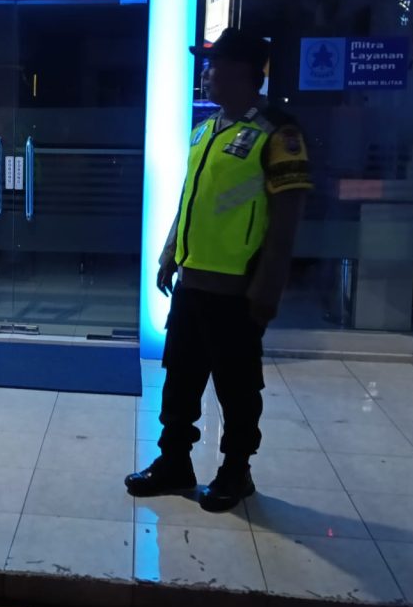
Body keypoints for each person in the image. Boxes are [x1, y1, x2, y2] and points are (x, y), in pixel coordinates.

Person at [125, 27, 312, 512]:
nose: (205, 74)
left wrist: (268, 287)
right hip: (193, 282)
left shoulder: (279, 133)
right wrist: (171, 252)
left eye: (213, 66)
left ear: (243, 72)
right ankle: (175, 462)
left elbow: (287, 217)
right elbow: (193, 198)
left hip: (238, 289)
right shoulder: (207, 128)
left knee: (237, 387)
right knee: (180, 380)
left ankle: (236, 471)